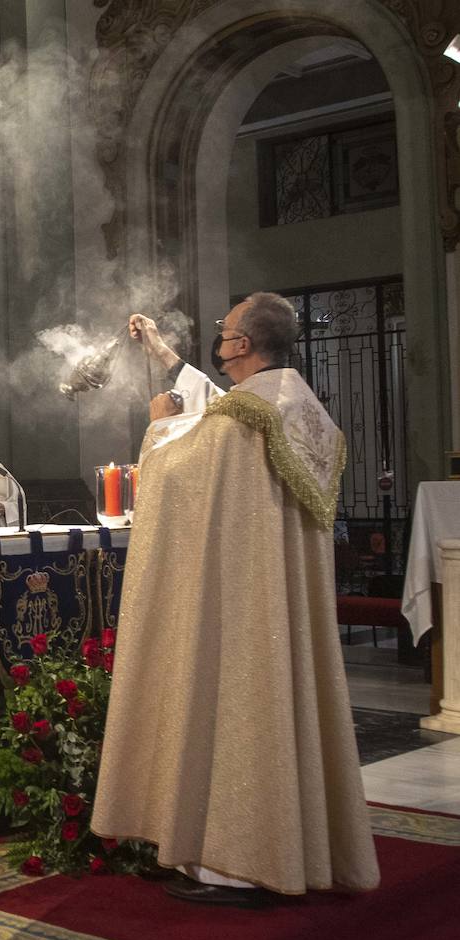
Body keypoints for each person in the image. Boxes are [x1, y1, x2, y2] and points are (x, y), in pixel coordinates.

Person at [92, 294, 379, 904]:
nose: (219, 340)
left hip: (242, 608)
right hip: (277, 606)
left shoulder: (246, 420)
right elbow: (215, 406)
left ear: (244, 345)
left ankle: (235, 863)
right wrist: (161, 353)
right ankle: (285, 847)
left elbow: (181, 471)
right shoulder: (295, 405)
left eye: (224, 333)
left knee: (238, 702)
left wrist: (158, 425)